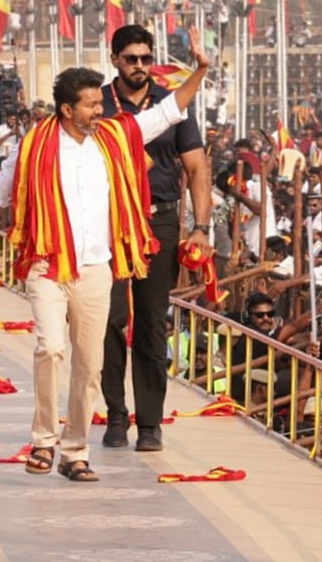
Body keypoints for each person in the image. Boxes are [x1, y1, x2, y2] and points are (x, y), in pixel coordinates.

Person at [0, 27, 209, 483]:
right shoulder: (33, 145)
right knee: (49, 348)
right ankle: (43, 440)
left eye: (100, 105)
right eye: (91, 105)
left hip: (97, 268)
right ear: (68, 110)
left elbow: (171, 109)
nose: (100, 111)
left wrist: (200, 69)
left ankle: (75, 450)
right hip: (46, 265)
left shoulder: (116, 136)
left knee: (90, 363)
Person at [99, 24, 212, 451]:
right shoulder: (99, 105)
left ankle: (149, 423)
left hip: (159, 221)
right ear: (115, 60)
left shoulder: (171, 104)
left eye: (147, 59)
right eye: (132, 59)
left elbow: (198, 168)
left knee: (150, 323)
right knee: (109, 320)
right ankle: (114, 415)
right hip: (110, 225)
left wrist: (200, 228)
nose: (141, 67)